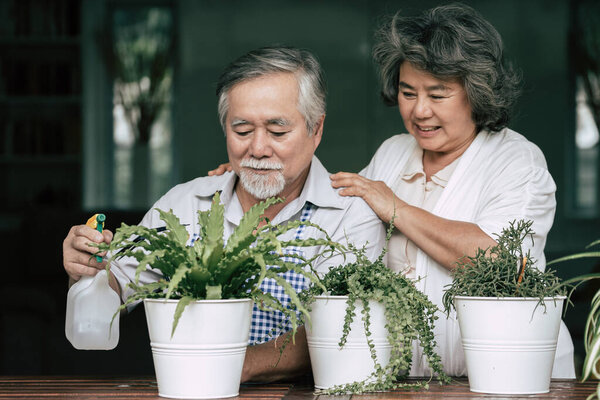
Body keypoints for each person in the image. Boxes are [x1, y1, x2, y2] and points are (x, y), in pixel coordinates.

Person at [62, 47, 386, 382]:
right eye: (242, 130)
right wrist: (88, 269)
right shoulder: (184, 204)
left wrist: (229, 363)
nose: (258, 149)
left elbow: (338, 332)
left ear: (315, 129)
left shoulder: (350, 214)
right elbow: (113, 291)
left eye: (277, 131)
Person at [328, 4, 575, 378]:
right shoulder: (393, 152)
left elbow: (502, 264)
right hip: (413, 382)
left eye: (438, 95)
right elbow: (334, 205)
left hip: (507, 376)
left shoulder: (517, 162)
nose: (419, 111)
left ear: (476, 92)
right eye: (408, 93)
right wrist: (256, 172)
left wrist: (395, 208)